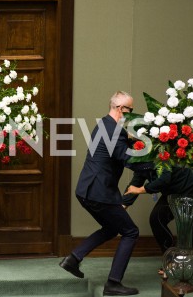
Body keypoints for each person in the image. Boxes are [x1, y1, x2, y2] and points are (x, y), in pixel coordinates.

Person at [60, 91, 140, 296]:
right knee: (131, 231)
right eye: (130, 110)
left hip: (86, 190)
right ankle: (113, 283)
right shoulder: (115, 131)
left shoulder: (104, 124)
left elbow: (116, 149)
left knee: (112, 228)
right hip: (99, 192)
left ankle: (73, 259)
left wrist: (132, 140)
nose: (131, 115)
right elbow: (128, 159)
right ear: (121, 109)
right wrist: (156, 161)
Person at [123, 165, 193, 272]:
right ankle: (170, 259)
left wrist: (141, 190)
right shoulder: (139, 163)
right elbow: (134, 185)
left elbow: (164, 179)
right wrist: (122, 207)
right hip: (173, 192)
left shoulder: (159, 154)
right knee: (156, 219)